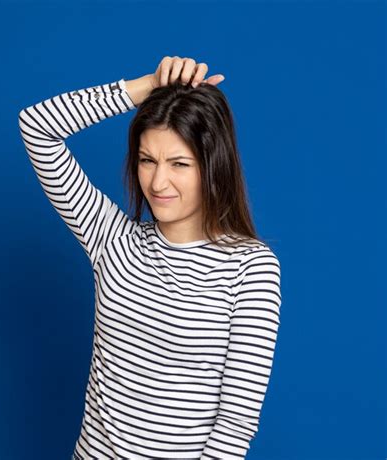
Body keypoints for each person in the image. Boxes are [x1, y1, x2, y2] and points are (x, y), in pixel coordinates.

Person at [18, 56, 282, 460]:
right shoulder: (111, 239)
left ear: (214, 166)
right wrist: (146, 87)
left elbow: (235, 425)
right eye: (147, 160)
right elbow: (37, 127)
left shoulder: (251, 268)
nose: (158, 182)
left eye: (179, 163)